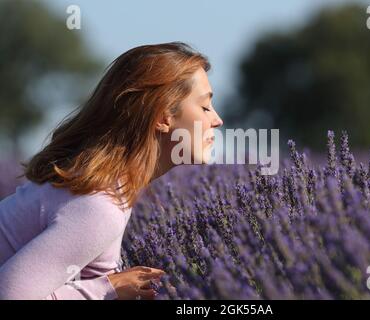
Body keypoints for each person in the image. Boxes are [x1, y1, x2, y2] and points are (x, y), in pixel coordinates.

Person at [0, 42, 223, 300]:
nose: (217, 120)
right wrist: (107, 290)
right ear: (163, 117)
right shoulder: (99, 206)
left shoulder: (102, 189)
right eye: (205, 107)